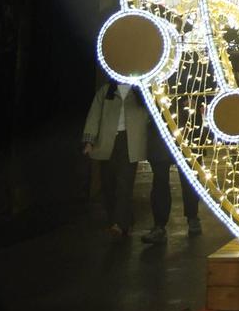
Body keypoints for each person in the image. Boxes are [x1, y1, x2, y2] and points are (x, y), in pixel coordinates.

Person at [82, 79, 149, 238]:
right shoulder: (106, 91)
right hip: (107, 140)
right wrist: (89, 140)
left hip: (130, 141)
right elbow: (94, 114)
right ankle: (123, 219)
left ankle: (119, 224)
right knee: (109, 182)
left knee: (124, 182)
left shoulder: (140, 90)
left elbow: (150, 116)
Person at [140, 115, 202, 243]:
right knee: (159, 182)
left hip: (187, 131)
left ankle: (192, 216)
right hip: (160, 133)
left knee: (189, 179)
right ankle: (159, 225)